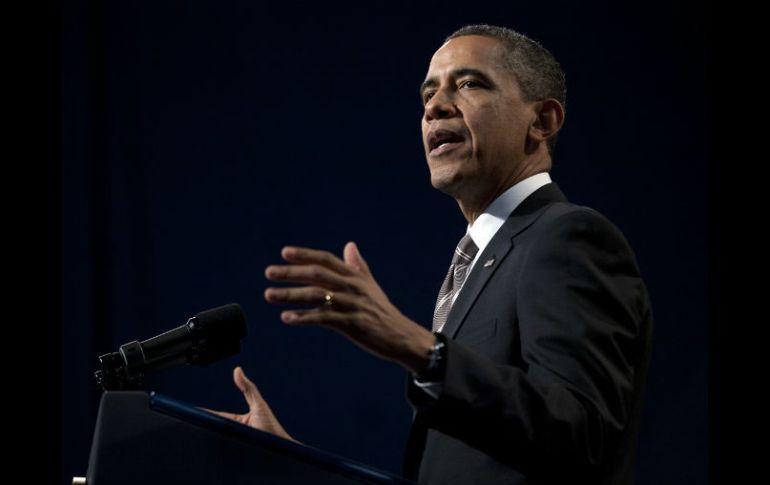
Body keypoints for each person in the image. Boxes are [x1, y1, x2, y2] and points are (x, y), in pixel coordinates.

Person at [211, 24, 653, 484]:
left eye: (468, 84)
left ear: (542, 121)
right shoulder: (480, 260)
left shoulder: (567, 237)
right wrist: (287, 460)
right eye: (427, 94)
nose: (435, 107)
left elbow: (585, 438)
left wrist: (419, 348)